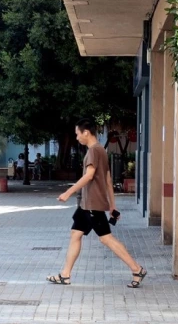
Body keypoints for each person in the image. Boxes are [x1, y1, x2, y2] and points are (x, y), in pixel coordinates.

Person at [48, 119, 147, 288]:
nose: (77, 137)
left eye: (77, 134)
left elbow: (89, 176)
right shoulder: (101, 150)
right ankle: (65, 274)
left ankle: (137, 269)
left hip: (92, 204)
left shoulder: (94, 151)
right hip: (87, 204)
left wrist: (68, 192)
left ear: (86, 132)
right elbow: (108, 180)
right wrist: (112, 205)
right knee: (75, 234)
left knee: (106, 238)